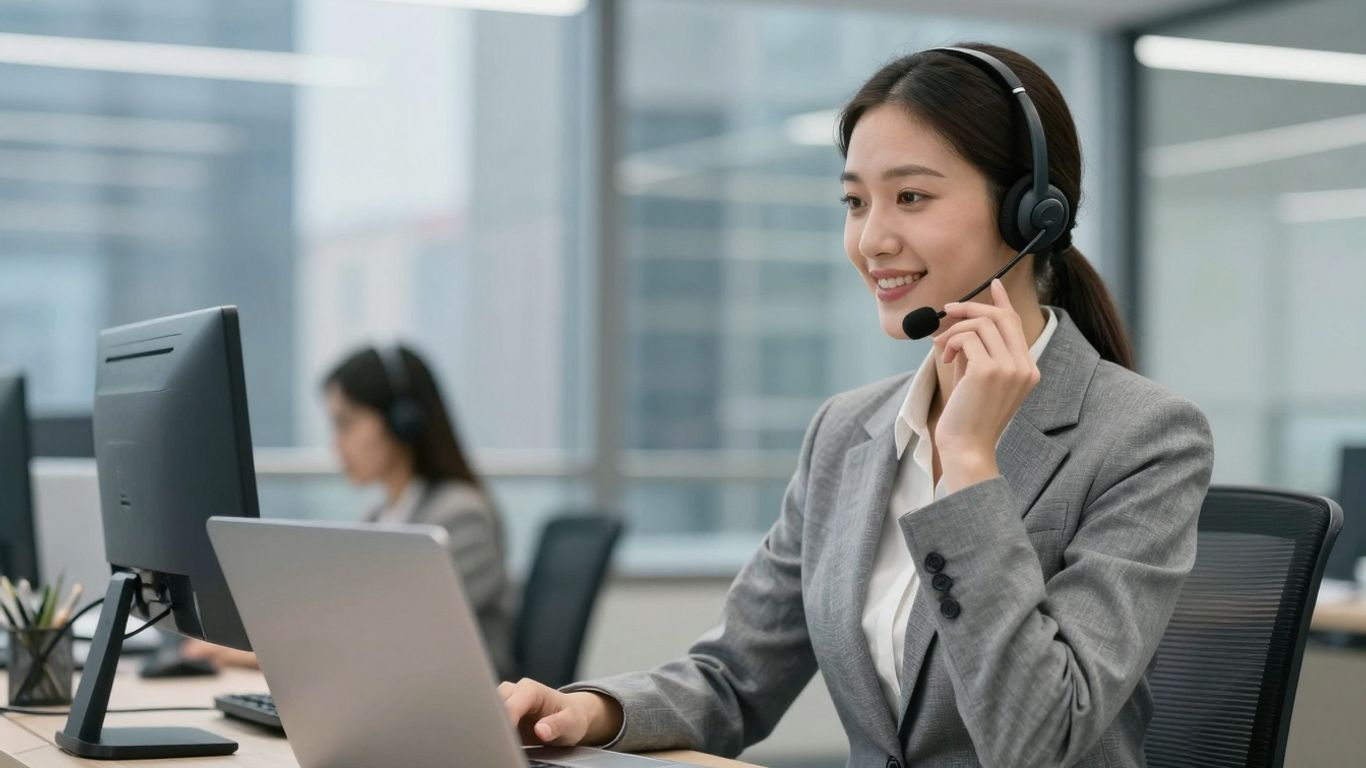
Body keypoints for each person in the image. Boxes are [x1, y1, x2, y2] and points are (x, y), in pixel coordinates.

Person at [499, 43, 1214, 768]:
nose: (871, 240)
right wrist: (588, 711)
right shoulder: (847, 433)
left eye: (911, 197)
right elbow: (734, 678)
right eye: (854, 202)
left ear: (1031, 213)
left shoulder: (1145, 438)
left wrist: (968, 466)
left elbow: (1040, 738)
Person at [186, 344, 517, 681]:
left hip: (457, 703)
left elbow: (386, 636)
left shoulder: (462, 516)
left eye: (346, 424)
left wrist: (256, 657)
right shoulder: (379, 516)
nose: (337, 445)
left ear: (403, 421)